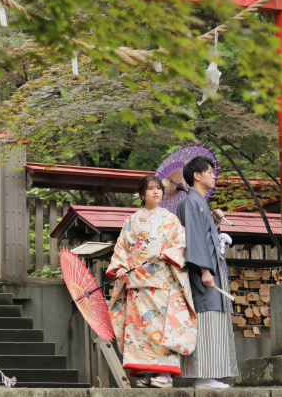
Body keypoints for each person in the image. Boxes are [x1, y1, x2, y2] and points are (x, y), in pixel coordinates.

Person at [106, 175, 197, 389]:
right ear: (141, 194)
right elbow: (121, 249)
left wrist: (165, 254)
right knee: (141, 328)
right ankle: (147, 371)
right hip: (137, 282)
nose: (156, 192)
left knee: (162, 327)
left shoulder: (170, 219)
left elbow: (181, 243)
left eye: (159, 189)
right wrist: (120, 267)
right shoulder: (130, 221)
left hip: (162, 282)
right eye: (151, 189)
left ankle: (164, 374)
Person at [177, 156, 238, 389]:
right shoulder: (191, 202)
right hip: (204, 273)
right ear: (197, 175)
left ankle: (209, 375)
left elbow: (206, 235)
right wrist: (204, 270)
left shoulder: (200, 202)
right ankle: (202, 376)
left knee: (214, 320)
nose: (214, 175)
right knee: (206, 320)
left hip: (211, 271)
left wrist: (216, 222)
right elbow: (194, 239)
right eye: (210, 171)